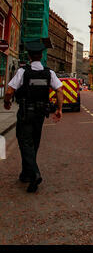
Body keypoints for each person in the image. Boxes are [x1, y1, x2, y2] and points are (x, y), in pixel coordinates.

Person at [4, 40, 64, 193]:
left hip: (25, 112)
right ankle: (25, 174)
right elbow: (59, 90)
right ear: (42, 55)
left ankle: (35, 173)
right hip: (40, 113)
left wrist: (6, 102)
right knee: (34, 143)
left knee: (25, 143)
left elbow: (10, 91)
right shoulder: (49, 72)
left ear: (30, 56)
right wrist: (59, 109)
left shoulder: (23, 72)